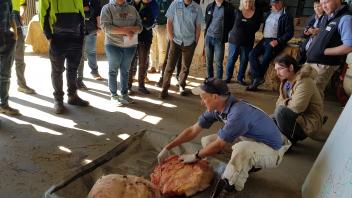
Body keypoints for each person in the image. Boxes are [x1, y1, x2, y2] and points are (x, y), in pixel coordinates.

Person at [157, 78, 291, 196]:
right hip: (251, 140)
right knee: (208, 141)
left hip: (273, 150)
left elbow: (220, 144)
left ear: (215, 96)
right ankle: (240, 169)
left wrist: (195, 156)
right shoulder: (218, 107)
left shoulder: (238, 113)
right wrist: (168, 147)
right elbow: (193, 130)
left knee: (241, 149)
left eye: (204, 97)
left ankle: (230, 187)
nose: (202, 102)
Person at [39, 0, 90, 114]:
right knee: (57, 70)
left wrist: (81, 34)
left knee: (73, 70)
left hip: (76, 37)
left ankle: (72, 96)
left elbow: (81, 12)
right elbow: (42, 13)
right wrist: (48, 36)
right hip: (57, 37)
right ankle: (58, 100)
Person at [306, 0, 352, 100]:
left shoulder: (345, 18)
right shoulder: (328, 16)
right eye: (321, 4)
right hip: (312, 61)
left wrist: (324, 51)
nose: (323, 6)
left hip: (324, 64)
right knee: (304, 92)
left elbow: (349, 46)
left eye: (326, 2)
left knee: (313, 96)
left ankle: (315, 116)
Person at [273, 55, 323, 144]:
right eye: (276, 70)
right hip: (297, 118)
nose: (277, 73)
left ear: (291, 67)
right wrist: (287, 103)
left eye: (280, 69)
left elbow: (296, 108)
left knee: (280, 112)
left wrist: (284, 103)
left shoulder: (305, 82)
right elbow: (278, 103)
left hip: (308, 124)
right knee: (269, 119)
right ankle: (282, 139)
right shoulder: (285, 82)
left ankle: (288, 141)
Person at [100, 0, 142, 106]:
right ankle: (114, 95)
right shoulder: (107, 8)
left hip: (130, 45)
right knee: (113, 71)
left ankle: (124, 94)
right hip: (113, 45)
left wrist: (128, 30)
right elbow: (106, 27)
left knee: (126, 71)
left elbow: (140, 26)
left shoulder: (132, 9)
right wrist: (127, 31)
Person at [159, 0, 202, 98]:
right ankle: (164, 89)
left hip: (190, 42)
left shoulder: (197, 8)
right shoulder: (175, 4)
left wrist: (195, 42)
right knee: (169, 66)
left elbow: (198, 26)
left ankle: (182, 85)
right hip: (175, 41)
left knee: (185, 67)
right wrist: (171, 38)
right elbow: (169, 21)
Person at [247, 0, 293, 91]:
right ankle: (258, 77)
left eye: (276, 4)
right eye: (272, 4)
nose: (274, 6)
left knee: (266, 57)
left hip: (275, 40)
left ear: (281, 3)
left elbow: (289, 33)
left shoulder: (286, 15)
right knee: (252, 54)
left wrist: (278, 41)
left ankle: (256, 79)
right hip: (265, 39)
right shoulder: (269, 13)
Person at [225, 0, 261, 85]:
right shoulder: (237, 11)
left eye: (249, 2)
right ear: (242, 2)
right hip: (234, 40)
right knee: (231, 59)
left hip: (248, 42)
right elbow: (230, 24)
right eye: (246, 2)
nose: (247, 4)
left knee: (244, 60)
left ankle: (240, 78)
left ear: (252, 3)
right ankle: (228, 77)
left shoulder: (256, 14)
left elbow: (256, 27)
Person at [128, 0, 159, 94]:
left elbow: (149, 23)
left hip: (145, 38)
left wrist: (138, 22)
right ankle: (128, 85)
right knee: (130, 62)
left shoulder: (151, 5)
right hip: (131, 37)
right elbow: (127, 21)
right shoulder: (129, 5)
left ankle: (141, 85)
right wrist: (142, 20)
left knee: (143, 63)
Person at [76, 0, 103, 90]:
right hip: (78, 27)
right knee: (79, 54)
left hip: (91, 27)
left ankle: (94, 71)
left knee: (91, 51)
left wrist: (99, 26)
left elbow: (98, 11)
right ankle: (79, 77)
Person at [204, 0, 235, 79]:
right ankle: (210, 80)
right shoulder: (210, 6)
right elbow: (207, 20)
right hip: (208, 37)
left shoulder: (229, 7)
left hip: (219, 39)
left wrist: (226, 32)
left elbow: (232, 22)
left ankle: (218, 83)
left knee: (218, 63)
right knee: (208, 62)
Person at [0, 0, 21, 115]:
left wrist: (15, 34)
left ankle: (3, 105)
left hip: (6, 39)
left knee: (5, 75)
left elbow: (12, 15)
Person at [12, 0, 36, 94]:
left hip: (16, 23)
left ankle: (21, 85)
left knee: (19, 58)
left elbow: (23, 3)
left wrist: (22, 13)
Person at [148, 0, 173, 73]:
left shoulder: (168, 1)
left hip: (163, 25)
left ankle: (161, 65)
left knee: (162, 47)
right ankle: (153, 65)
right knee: (152, 47)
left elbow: (170, 14)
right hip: (152, 25)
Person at [298, 0, 324, 65]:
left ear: (323, 6)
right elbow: (306, 28)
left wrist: (317, 31)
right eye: (315, 7)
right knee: (301, 58)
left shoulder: (326, 18)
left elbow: (326, 31)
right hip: (308, 41)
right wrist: (306, 32)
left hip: (317, 43)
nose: (316, 8)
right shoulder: (312, 17)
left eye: (319, 6)